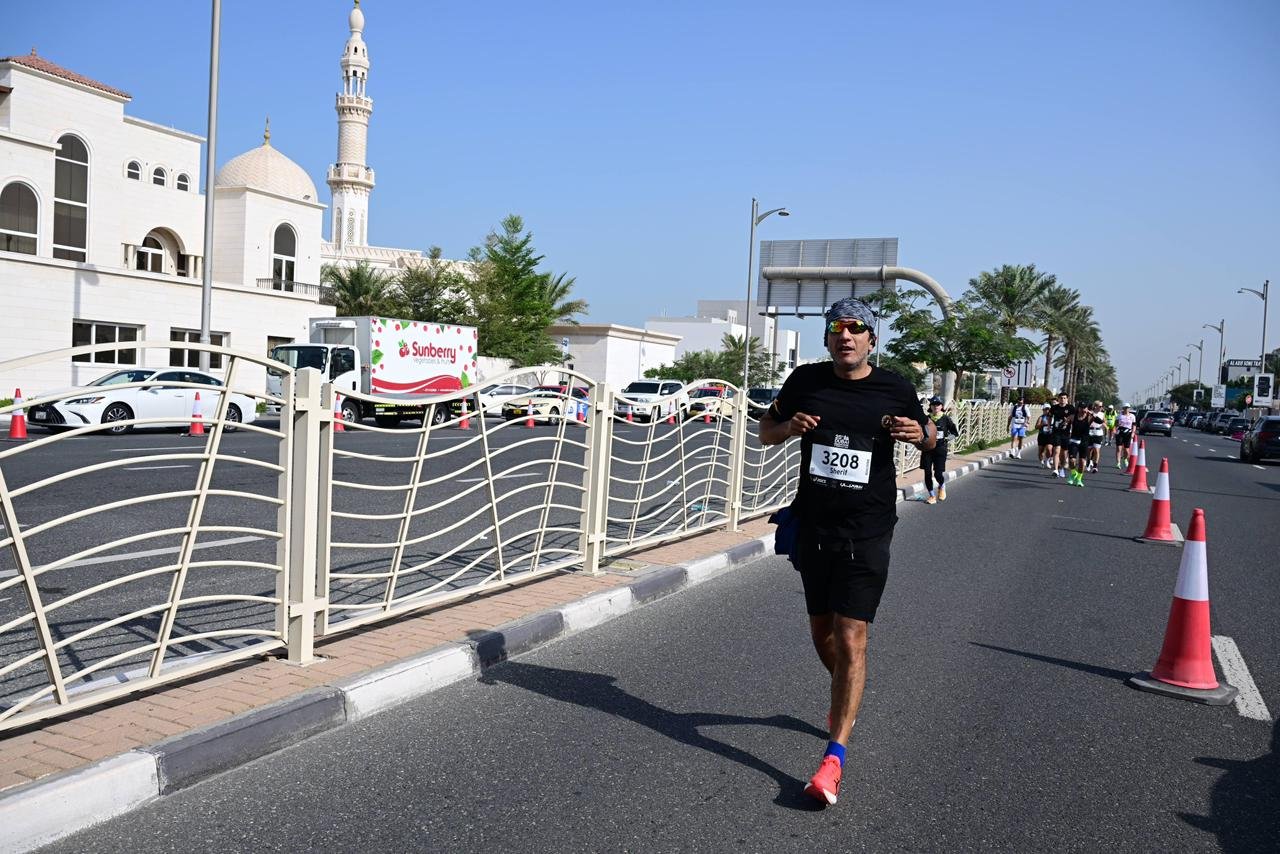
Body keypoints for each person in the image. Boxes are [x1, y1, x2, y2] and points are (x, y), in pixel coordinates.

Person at [758, 297, 935, 806]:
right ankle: (848, 699)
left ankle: (834, 756)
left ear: (871, 339)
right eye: (837, 329)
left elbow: (930, 437)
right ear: (828, 338)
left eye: (856, 329)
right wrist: (789, 428)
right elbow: (766, 431)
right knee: (822, 635)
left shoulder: (895, 387)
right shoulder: (805, 381)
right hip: (814, 526)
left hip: (868, 528)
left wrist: (917, 434)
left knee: (851, 635)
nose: (846, 337)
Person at [921, 396, 959, 504]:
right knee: (927, 473)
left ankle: (942, 486)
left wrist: (947, 438)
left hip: (940, 449)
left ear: (941, 406)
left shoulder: (946, 418)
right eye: (933, 404)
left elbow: (955, 433)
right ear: (930, 407)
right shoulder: (926, 419)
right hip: (927, 449)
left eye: (938, 404)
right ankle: (932, 496)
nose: (935, 406)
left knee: (938, 473)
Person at [1067, 401, 1091, 486]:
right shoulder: (1073, 417)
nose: (1082, 410)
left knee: (1082, 462)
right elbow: (1066, 424)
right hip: (1074, 440)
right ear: (1078, 408)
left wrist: (1091, 413)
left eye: (1084, 408)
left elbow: (1099, 421)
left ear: (1087, 408)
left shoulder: (1089, 417)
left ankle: (1079, 479)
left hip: (1084, 442)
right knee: (1072, 460)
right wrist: (1064, 424)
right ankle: (1073, 473)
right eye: (1081, 408)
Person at [1050, 392, 1073, 478]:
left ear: (1067, 399)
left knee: (1064, 454)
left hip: (1066, 433)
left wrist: (1067, 420)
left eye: (1064, 398)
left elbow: (1073, 417)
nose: (1062, 400)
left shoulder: (1070, 408)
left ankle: (1061, 468)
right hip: (1056, 432)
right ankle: (1055, 470)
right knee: (1056, 451)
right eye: (1061, 398)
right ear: (1058, 399)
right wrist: (1049, 425)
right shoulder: (1054, 408)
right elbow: (1049, 416)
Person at [1086, 401, 1107, 472]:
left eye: (1102, 406)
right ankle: (1088, 462)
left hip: (1098, 433)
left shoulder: (1102, 414)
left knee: (1096, 450)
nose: (1101, 408)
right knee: (1089, 450)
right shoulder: (1090, 413)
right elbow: (1087, 422)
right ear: (1095, 406)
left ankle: (1095, 466)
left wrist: (1105, 426)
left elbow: (1104, 422)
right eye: (1100, 406)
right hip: (1090, 432)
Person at [1115, 404, 1136, 469]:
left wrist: (1133, 433)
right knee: (1119, 448)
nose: (1126, 409)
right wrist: (1115, 430)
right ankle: (1118, 463)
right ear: (1123, 408)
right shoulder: (1119, 415)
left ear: (1129, 408)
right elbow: (1115, 424)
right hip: (1120, 432)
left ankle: (1125, 459)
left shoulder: (1132, 416)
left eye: (1128, 408)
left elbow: (1134, 425)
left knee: (1126, 450)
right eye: (1125, 408)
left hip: (1128, 433)